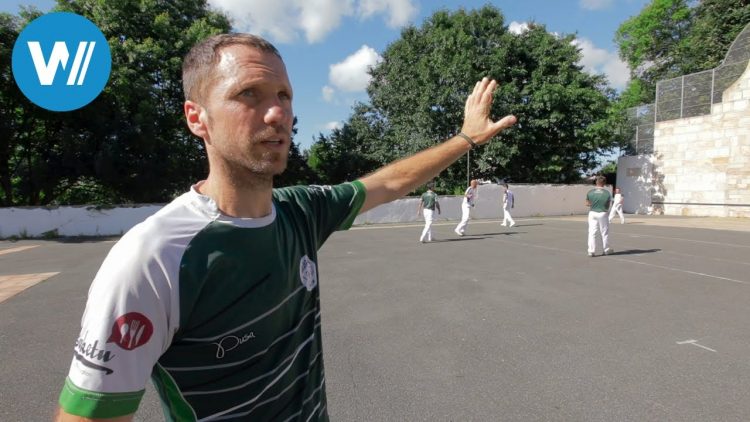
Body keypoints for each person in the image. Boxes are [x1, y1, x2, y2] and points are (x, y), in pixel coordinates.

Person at [55, 33, 517, 422]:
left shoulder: (301, 211)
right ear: (197, 118)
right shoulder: (154, 256)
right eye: (248, 95)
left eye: (284, 96)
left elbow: (391, 181)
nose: (278, 114)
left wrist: (466, 139)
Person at [586, 175, 613, 257]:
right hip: (602, 213)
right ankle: (606, 250)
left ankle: (591, 251)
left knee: (592, 232)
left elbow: (587, 203)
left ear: (596, 182)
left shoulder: (590, 192)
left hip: (592, 213)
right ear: (604, 183)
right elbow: (607, 206)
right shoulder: (607, 193)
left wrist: (593, 204)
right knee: (604, 232)